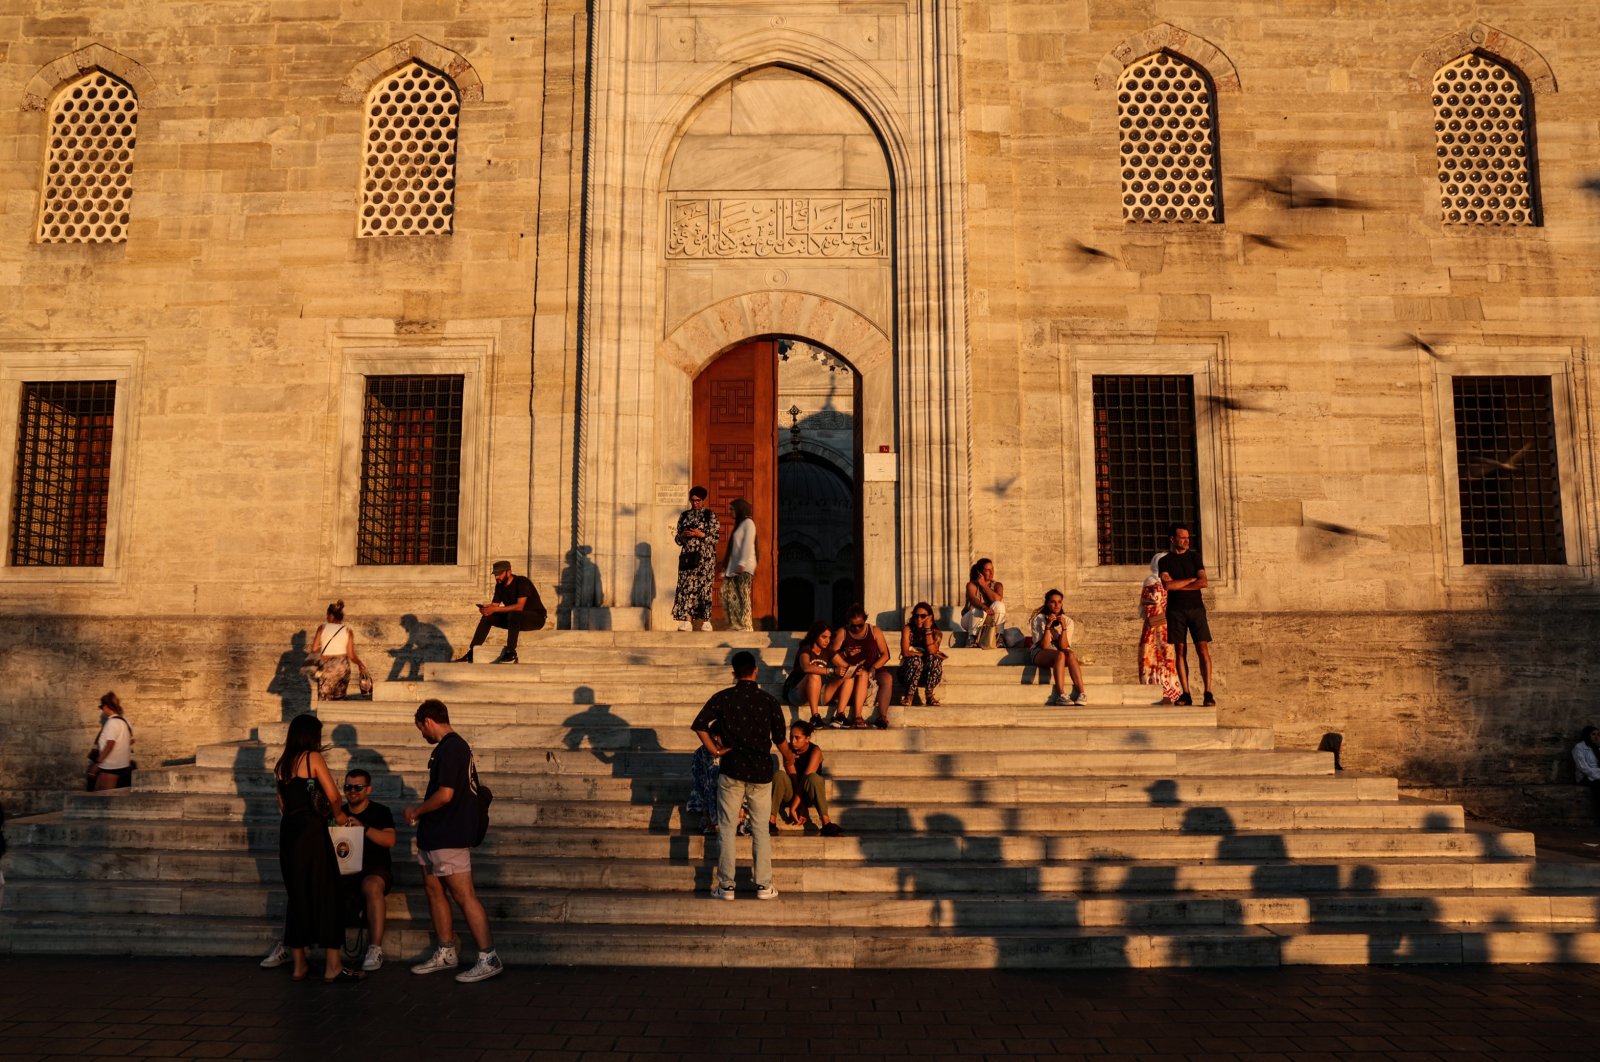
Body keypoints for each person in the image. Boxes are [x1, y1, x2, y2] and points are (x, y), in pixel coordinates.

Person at [404, 699, 503, 982]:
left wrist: (417, 811)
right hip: (434, 836)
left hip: (449, 834)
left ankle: (489, 956)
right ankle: (446, 950)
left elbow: (446, 794)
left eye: (420, 728)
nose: (422, 734)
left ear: (428, 721)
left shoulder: (452, 748)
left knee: (464, 896)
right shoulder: (449, 749)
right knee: (433, 890)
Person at [691, 651, 789, 900]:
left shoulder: (724, 698)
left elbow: (700, 724)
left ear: (733, 673)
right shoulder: (768, 701)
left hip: (732, 768)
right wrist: (790, 759)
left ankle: (726, 886)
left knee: (726, 828)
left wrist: (714, 750)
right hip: (760, 772)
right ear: (755, 670)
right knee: (760, 830)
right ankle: (764, 885)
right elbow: (780, 740)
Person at [272, 713, 360, 983]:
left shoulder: (281, 764)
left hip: (289, 832)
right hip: (312, 831)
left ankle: (299, 964)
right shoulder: (312, 758)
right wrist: (340, 817)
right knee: (327, 891)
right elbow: (334, 797)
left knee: (297, 895)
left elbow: (282, 805)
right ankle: (333, 965)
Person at [340, 768, 398, 972]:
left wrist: (363, 827)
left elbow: (390, 840)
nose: (352, 791)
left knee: (372, 885)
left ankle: (375, 948)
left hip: (375, 870)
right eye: (348, 787)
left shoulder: (380, 811)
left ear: (369, 789)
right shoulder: (339, 813)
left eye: (358, 787)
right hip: (346, 871)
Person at [1158, 523, 1215, 706]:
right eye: (1182, 537)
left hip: (1196, 608)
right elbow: (1168, 586)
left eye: (1187, 537)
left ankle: (1208, 692)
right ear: (1173, 540)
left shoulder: (1195, 557)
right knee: (1180, 651)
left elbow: (1203, 582)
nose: (1186, 540)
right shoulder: (1165, 561)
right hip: (1175, 611)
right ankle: (1186, 693)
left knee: (1202, 649)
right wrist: (1191, 580)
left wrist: (1181, 584)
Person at [457, 560, 547, 664]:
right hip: (514, 619)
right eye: (495, 574)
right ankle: (472, 652)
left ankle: (511, 652)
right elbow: (494, 606)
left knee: (514, 613)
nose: (496, 577)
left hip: (536, 618)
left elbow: (519, 606)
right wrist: (486, 610)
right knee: (488, 618)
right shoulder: (499, 586)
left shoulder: (522, 582)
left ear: (508, 572)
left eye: (499, 574)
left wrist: (494, 609)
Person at [769, 721, 841, 837]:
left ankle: (826, 823)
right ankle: (771, 821)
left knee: (813, 778)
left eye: (797, 738)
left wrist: (794, 808)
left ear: (807, 738)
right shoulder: (788, 749)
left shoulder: (815, 751)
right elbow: (794, 779)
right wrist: (800, 805)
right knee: (779, 775)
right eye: (791, 737)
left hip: (809, 793)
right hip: (794, 791)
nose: (793, 741)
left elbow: (804, 781)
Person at [830, 605, 895, 729]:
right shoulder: (843, 632)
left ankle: (882, 716)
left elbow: (885, 655)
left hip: (873, 667)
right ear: (848, 622)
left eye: (860, 625)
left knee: (887, 679)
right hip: (852, 669)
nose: (856, 628)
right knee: (861, 674)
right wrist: (845, 653)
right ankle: (857, 716)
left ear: (865, 620)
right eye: (853, 625)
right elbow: (832, 656)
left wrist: (874, 668)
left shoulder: (874, 631)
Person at [671, 485, 720, 632]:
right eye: (692, 500)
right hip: (688, 557)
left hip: (705, 558)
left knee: (704, 588)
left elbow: (715, 538)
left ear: (703, 500)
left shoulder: (710, 515)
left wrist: (701, 534)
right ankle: (687, 621)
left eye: (698, 500)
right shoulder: (684, 516)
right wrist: (683, 536)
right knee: (687, 588)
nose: (695, 503)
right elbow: (678, 540)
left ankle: (706, 621)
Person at [1138, 553, 1182, 706]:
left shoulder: (1170, 582)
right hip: (1154, 629)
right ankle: (1157, 692)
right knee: (1152, 659)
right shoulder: (1152, 581)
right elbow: (1152, 606)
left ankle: (1169, 693)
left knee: (1168, 661)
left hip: (1166, 628)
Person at [1031, 589, 1087, 706]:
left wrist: (1064, 628)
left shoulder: (1068, 621)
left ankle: (1082, 693)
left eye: (1059, 602)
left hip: (1058, 650)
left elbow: (1063, 646)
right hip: (1040, 652)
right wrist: (1047, 627)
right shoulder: (1039, 619)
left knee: (1070, 654)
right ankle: (1061, 694)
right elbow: (1044, 646)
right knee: (1060, 655)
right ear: (1047, 603)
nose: (1056, 605)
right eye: (1053, 602)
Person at [782, 621, 844, 727]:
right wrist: (831, 671)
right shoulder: (806, 648)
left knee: (847, 677)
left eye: (829, 638)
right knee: (813, 674)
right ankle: (815, 717)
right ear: (815, 635)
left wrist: (856, 669)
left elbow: (844, 665)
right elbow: (806, 667)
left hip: (817, 693)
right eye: (824, 637)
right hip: (797, 693)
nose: (827, 641)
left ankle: (840, 715)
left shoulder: (827, 650)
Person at [309, 600, 370, 701]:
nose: (326, 617)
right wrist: (360, 664)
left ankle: (324, 717)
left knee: (325, 700)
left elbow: (314, 650)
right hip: (342, 667)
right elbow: (351, 655)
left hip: (327, 667)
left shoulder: (322, 628)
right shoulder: (348, 631)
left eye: (327, 615)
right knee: (339, 699)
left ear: (332, 615)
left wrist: (322, 651)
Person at [899, 602, 947, 707]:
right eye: (916, 616)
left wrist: (927, 629)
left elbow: (932, 652)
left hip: (927, 674)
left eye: (923, 616)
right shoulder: (908, 629)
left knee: (934, 659)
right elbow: (905, 652)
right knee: (916, 661)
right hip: (908, 672)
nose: (919, 619)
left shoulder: (936, 632)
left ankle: (929, 695)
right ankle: (909, 696)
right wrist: (921, 655)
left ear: (930, 617)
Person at [721, 497, 757, 632]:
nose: (730, 512)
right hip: (736, 567)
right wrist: (728, 567)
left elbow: (748, 544)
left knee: (743, 594)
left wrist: (742, 563)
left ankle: (747, 626)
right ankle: (737, 624)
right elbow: (734, 548)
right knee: (731, 595)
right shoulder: (739, 525)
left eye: (732, 509)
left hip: (745, 566)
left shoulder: (749, 523)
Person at [86, 691, 133, 791]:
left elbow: (110, 744)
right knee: (98, 789)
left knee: (104, 795)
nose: (103, 711)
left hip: (111, 766)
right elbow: (130, 740)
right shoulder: (125, 721)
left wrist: (97, 764)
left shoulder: (112, 722)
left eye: (102, 708)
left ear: (106, 706)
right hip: (121, 764)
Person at [961, 558, 1006, 647]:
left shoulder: (997, 585)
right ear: (980, 572)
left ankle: (999, 637)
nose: (991, 572)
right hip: (970, 620)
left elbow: (997, 599)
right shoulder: (971, 585)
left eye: (992, 569)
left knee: (999, 605)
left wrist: (984, 586)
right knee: (978, 609)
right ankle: (971, 638)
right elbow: (973, 600)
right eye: (987, 570)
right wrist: (984, 607)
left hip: (990, 621)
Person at [1574, 726, 1600, 823]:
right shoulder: (1579, 748)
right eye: (1593, 734)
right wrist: (1597, 775)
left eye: (1598, 734)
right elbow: (1583, 767)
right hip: (1585, 776)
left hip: (1597, 774)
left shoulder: (1596, 748)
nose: (1596, 737)